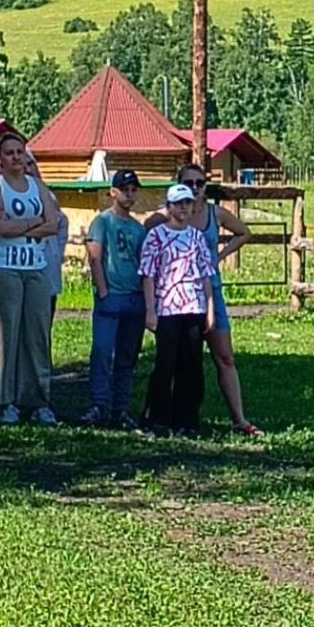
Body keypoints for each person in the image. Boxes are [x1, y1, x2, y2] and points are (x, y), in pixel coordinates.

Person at [145, 163, 262, 436]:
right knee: (168, 360)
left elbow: (244, 232)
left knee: (219, 356)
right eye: (190, 183)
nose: (196, 188)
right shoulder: (162, 221)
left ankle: (237, 418)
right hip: (171, 300)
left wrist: (219, 257)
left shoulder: (213, 214)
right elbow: (148, 256)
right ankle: (156, 416)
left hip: (205, 294)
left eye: (200, 183)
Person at [0, 133, 62, 426]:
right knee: (7, 334)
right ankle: (7, 401)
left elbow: (53, 224)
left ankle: (39, 400)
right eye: (10, 153)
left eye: (20, 152)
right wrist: (34, 223)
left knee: (38, 334)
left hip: (37, 266)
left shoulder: (38, 186)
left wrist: (21, 227)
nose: (16, 157)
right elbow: (0, 227)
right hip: (4, 267)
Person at [140, 183, 215, 437]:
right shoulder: (156, 236)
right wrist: (150, 310)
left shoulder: (196, 237)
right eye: (179, 203)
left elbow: (206, 275)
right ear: (169, 206)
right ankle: (157, 418)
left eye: (188, 203)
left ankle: (187, 420)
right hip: (167, 307)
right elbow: (148, 274)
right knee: (165, 363)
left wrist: (210, 309)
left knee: (191, 364)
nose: (184, 208)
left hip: (193, 306)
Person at [83, 169, 147, 429]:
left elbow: (144, 263)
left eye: (133, 190)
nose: (129, 194)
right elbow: (95, 256)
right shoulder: (102, 222)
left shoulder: (137, 228)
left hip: (134, 297)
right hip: (111, 295)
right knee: (101, 351)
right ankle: (98, 404)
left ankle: (119, 408)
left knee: (127, 356)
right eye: (125, 189)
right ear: (113, 191)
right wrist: (103, 291)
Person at [25, 152, 70, 324]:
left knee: (43, 326)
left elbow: (60, 223)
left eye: (31, 164)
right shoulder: (7, 193)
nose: (28, 169)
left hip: (46, 265)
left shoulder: (48, 195)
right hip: (22, 266)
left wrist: (57, 253)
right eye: (23, 165)